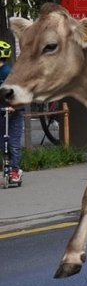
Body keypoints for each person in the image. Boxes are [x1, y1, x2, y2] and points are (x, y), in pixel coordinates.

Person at [0, 41, 23, 185]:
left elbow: (19, 93)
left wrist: (14, 106)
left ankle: (15, 170)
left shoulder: (9, 73)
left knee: (13, 143)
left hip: (13, 114)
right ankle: (6, 168)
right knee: (3, 143)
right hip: (1, 112)